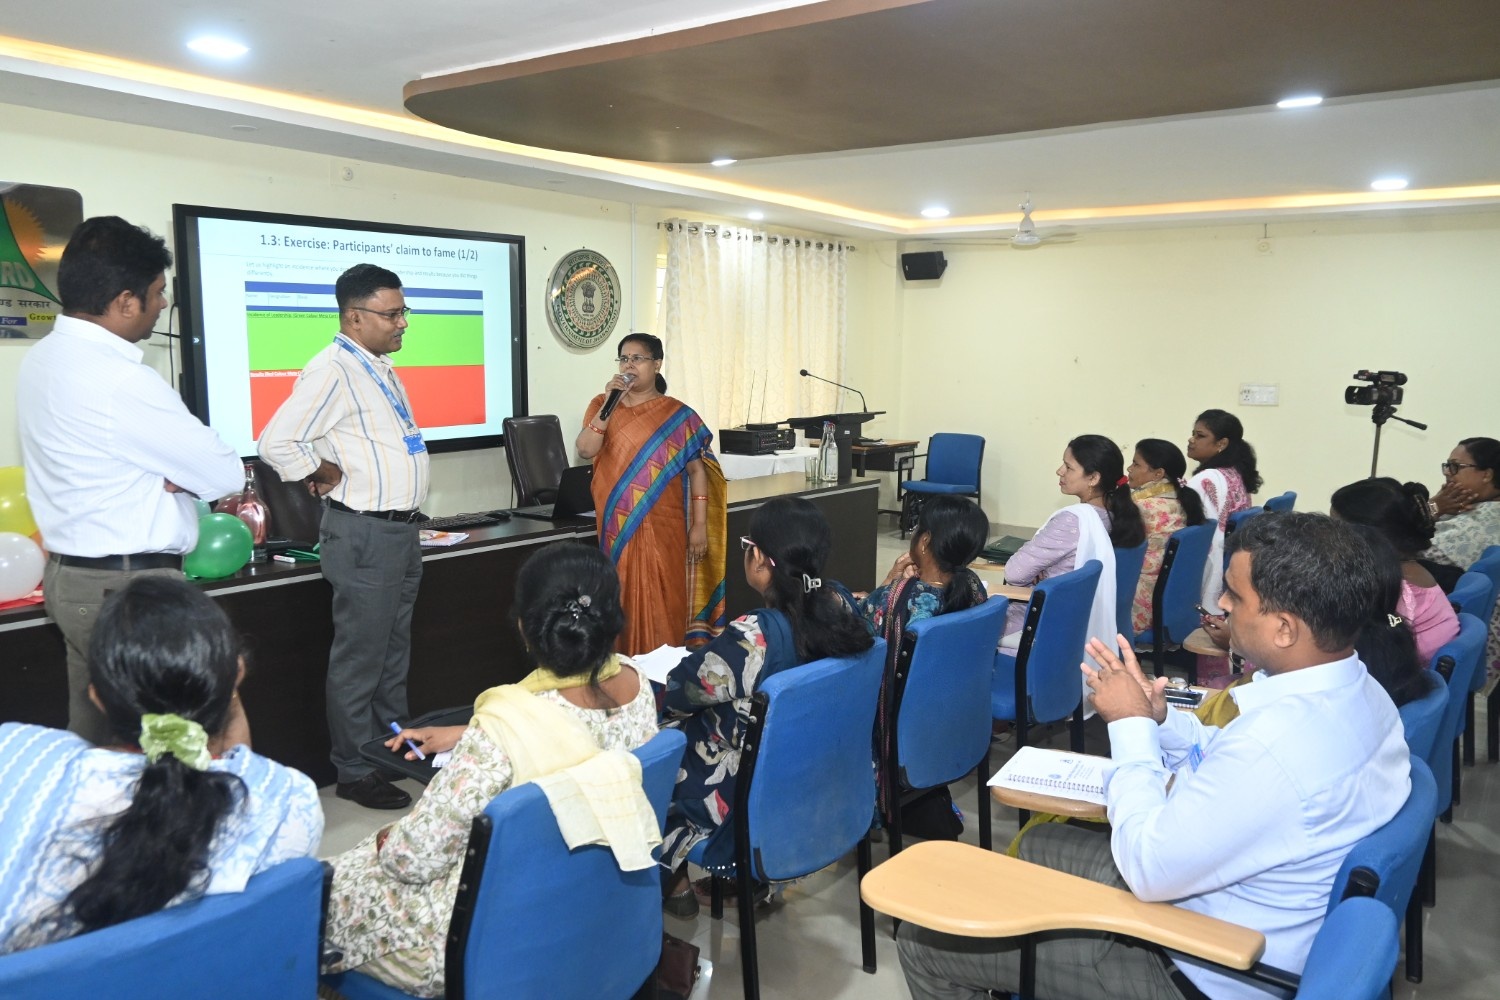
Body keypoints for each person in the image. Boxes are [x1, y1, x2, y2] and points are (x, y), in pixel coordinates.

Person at [898, 512, 1411, 1000]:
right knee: (1038, 845)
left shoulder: (1275, 749)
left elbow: (1148, 866)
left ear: (1284, 629)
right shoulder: (1360, 692)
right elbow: (1222, 755)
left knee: (924, 944)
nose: (1222, 604)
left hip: (1200, 965)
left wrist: (1130, 725)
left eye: (1235, 595)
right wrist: (1160, 720)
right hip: (1226, 904)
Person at [322, 542, 659, 997]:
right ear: (612, 619)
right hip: (590, 903)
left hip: (487, 943)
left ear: (524, 627)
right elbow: (579, 731)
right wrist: (469, 732)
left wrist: (385, 840)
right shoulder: (638, 687)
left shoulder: (501, 731)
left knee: (312, 896)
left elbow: (412, 860)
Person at [0, 577, 322, 953]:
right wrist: (227, 689)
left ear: (97, 698)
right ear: (236, 673)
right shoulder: (292, 799)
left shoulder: (20, 753)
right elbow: (239, 764)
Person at [16, 216, 243, 744]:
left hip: (72, 579)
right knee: (168, 743)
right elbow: (224, 472)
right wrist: (176, 473)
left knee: (96, 735)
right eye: (158, 292)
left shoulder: (42, 358)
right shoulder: (121, 380)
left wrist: (170, 471)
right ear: (124, 301)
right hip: (129, 590)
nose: (162, 304)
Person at [258, 263, 429, 810]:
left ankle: (392, 750)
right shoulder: (333, 369)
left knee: (392, 657)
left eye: (403, 311)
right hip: (364, 534)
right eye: (392, 314)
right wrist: (318, 470)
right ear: (355, 317)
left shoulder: (377, 366)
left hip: (398, 532)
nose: (403, 322)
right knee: (361, 660)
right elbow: (275, 442)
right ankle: (354, 769)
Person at [658, 497, 873, 917]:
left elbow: (681, 689)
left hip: (746, 797)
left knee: (652, 742)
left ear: (759, 558)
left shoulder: (754, 637)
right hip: (819, 777)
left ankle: (673, 881)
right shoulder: (841, 605)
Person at [575, 333, 727, 655]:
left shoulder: (677, 415)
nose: (628, 365)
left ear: (656, 365)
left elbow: (697, 471)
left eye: (637, 358)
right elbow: (585, 449)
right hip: (618, 526)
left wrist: (699, 526)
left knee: (666, 597)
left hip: (665, 525)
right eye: (623, 359)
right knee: (620, 595)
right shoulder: (602, 405)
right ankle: (623, 669)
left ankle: (666, 669)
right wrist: (609, 404)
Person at [855, 494, 990, 834]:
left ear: (925, 541)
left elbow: (856, 628)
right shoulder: (972, 586)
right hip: (953, 718)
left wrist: (891, 582)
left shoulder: (898, 599)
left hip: (899, 731)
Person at [1001, 436, 1145, 662]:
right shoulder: (1120, 516)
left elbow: (1014, 573)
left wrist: (1042, 571)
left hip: (1045, 629)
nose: (1059, 471)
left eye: (1068, 467)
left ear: (1093, 478)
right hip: (1081, 627)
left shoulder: (1072, 521)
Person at [1331, 477, 1460, 667]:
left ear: (1371, 536)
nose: (1330, 538)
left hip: (1400, 673)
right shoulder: (1409, 570)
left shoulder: (1397, 590)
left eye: (1337, 529)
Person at [1420, 437, 1500, 678]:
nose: (1448, 473)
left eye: (1455, 466)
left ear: (1486, 474)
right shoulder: (1480, 508)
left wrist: (1432, 507)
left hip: (1471, 646)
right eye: (1447, 466)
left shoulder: (1480, 521)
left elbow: (1403, 547)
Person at [1126, 439, 1206, 634]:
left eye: (1136, 464)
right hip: (1171, 600)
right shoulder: (1181, 500)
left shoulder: (1141, 507)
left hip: (1140, 604)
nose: (1129, 469)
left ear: (1158, 474)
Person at [1185, 408, 1262, 609]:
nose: (1191, 440)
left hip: (1210, 566)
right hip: (1231, 561)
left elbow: (1198, 536)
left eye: (1200, 436)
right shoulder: (1233, 473)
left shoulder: (1207, 479)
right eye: (1193, 434)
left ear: (1222, 444)